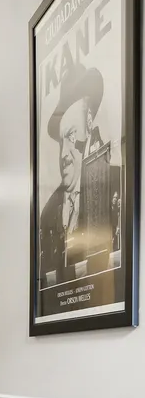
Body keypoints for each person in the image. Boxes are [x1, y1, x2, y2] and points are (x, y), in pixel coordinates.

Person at [39, 61, 113, 284]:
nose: (64, 153)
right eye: (62, 141)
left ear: (89, 124)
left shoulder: (115, 186)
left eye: (71, 137)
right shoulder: (48, 214)